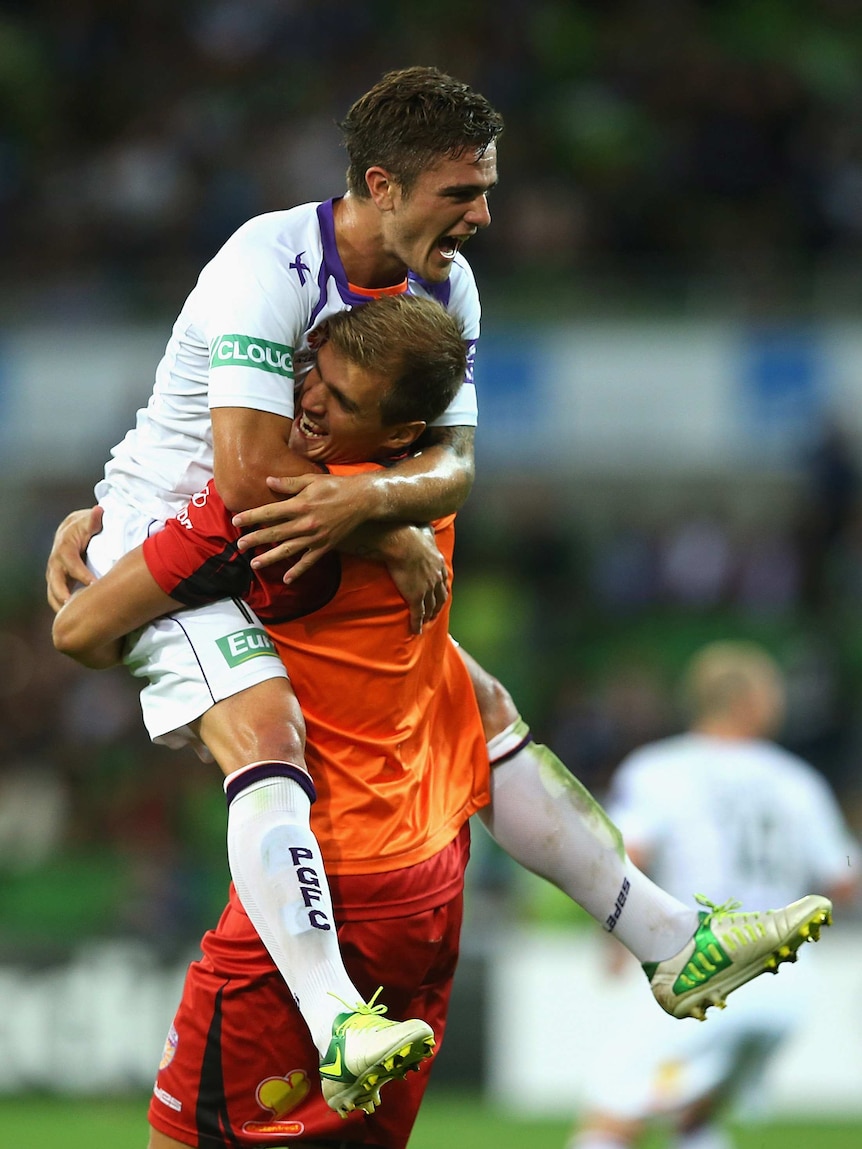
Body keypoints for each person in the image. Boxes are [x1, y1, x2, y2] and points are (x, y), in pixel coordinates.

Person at [46, 65, 831, 1048]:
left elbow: (452, 463)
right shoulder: (269, 263)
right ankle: (335, 1016)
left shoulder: (445, 282)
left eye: (487, 188)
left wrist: (381, 504)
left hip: (293, 536)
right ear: (382, 186)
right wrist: (388, 522)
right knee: (267, 729)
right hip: (177, 538)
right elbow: (245, 478)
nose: (486, 215)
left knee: (479, 708)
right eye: (462, 192)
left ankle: (670, 938)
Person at [56, 293, 490, 1148]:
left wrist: (108, 546)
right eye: (312, 380)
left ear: (399, 433)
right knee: (488, 699)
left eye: (344, 400)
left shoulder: (258, 509)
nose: (312, 406)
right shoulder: (425, 499)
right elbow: (437, 468)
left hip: (322, 882)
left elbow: (79, 632)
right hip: (432, 871)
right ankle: (653, 925)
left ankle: (337, 1015)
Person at [566, 641, 857, 1149]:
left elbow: (623, 856)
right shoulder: (795, 779)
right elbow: (842, 881)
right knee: (694, 1117)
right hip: (782, 980)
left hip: (701, 964)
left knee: (611, 1116)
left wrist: (612, 939)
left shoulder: (658, 768)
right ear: (752, 701)